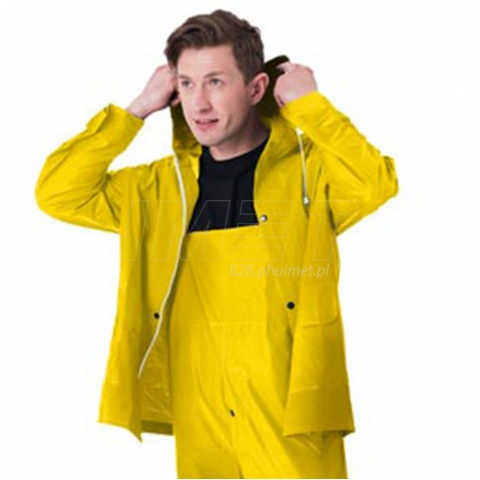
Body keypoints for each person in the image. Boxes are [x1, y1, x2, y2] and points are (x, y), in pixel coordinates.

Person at [35, 8, 399, 479]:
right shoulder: (158, 189)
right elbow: (58, 192)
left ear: (256, 88)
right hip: (200, 412)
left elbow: (375, 183)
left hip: (290, 411)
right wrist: (134, 111)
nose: (199, 103)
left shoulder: (310, 174)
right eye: (186, 84)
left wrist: (312, 107)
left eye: (216, 82)